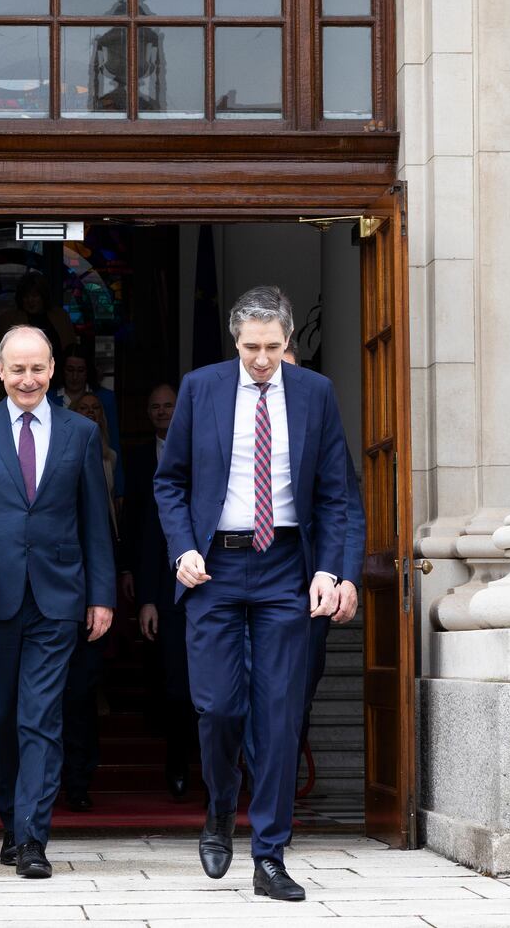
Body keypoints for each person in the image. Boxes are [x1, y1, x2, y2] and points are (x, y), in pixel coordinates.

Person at [154, 286, 349, 902]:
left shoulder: (315, 394)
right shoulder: (202, 388)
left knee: (279, 713)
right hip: (212, 566)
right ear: (235, 343)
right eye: (250, 347)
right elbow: (171, 481)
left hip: (287, 564)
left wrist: (332, 570)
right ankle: (218, 805)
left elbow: (338, 494)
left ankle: (269, 854)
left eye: (272, 347)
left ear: (287, 341)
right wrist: (182, 547)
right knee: (217, 708)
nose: (261, 359)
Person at [0, 325, 115, 879]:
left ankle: (34, 838)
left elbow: (94, 521)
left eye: (37, 368)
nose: (28, 379)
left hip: (57, 598)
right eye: (18, 369)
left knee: (41, 717)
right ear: (0, 371)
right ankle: (12, 824)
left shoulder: (80, 433)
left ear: (53, 369)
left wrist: (102, 595)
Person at [281, 340, 365, 756]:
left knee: (297, 697)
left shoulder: (320, 430)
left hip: (311, 585)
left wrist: (346, 577)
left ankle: (280, 797)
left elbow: (347, 507)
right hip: (243, 579)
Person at [132, 384, 198, 801]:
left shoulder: (207, 451)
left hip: (218, 589)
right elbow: (152, 539)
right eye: (154, 405)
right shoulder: (157, 469)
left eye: (169, 405)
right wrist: (148, 599)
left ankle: (216, 774)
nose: (162, 412)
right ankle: (177, 763)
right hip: (172, 593)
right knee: (177, 687)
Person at [60, 391, 119, 811]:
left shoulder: (88, 447)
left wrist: (101, 594)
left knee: (79, 695)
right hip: (30, 595)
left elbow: (100, 526)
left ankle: (78, 782)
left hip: (80, 594)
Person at [50, 345, 124, 501]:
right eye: (70, 370)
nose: (75, 376)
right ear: (62, 370)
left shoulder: (106, 398)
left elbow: (114, 442)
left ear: (88, 371)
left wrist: (119, 490)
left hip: (98, 475)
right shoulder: (48, 399)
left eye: (80, 370)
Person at [0, 272, 77, 372]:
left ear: (43, 296)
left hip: (59, 380)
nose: (30, 300)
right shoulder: (9, 319)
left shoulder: (60, 317)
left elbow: (73, 350)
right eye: (26, 296)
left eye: (35, 295)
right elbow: (0, 357)